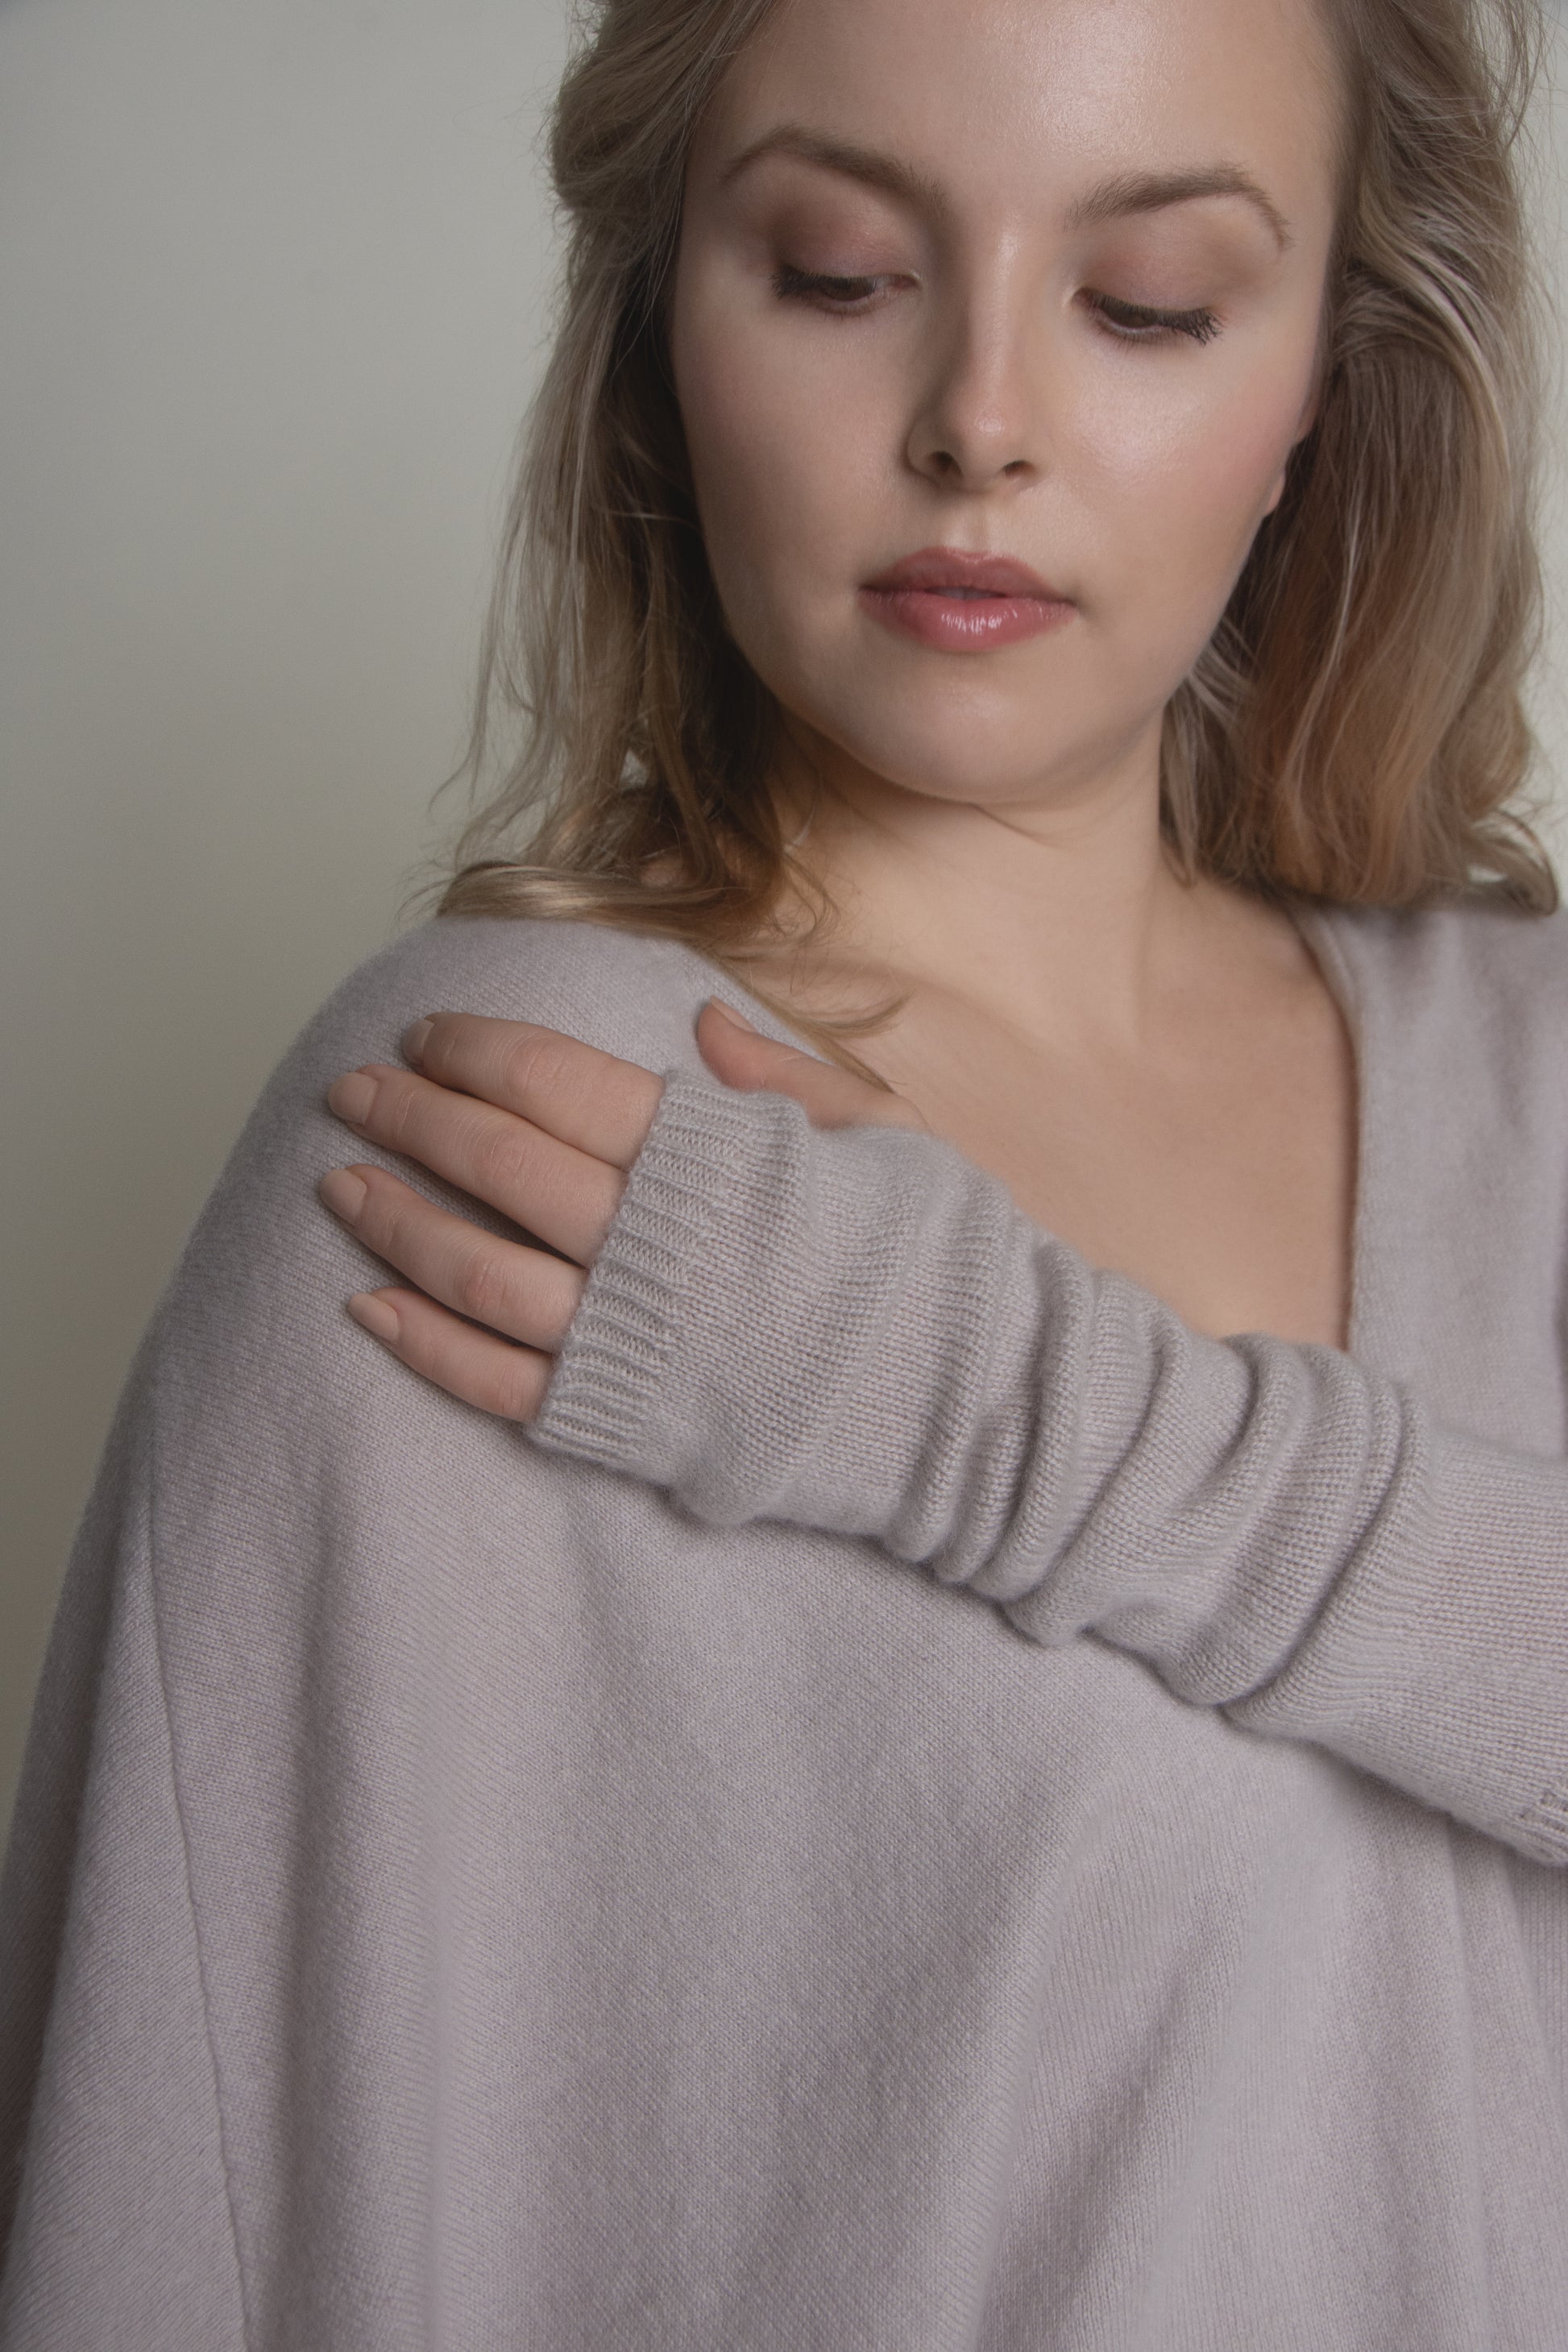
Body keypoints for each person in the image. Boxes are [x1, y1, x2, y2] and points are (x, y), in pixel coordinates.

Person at [4, 0, 1567, 2342]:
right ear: (657, 327)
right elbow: (181, 2191)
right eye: (839, 271)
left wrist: (975, 1399)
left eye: (1145, 303)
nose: (980, 423)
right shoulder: (510, 1133)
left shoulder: (1524, 1072)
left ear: (1322, 384)